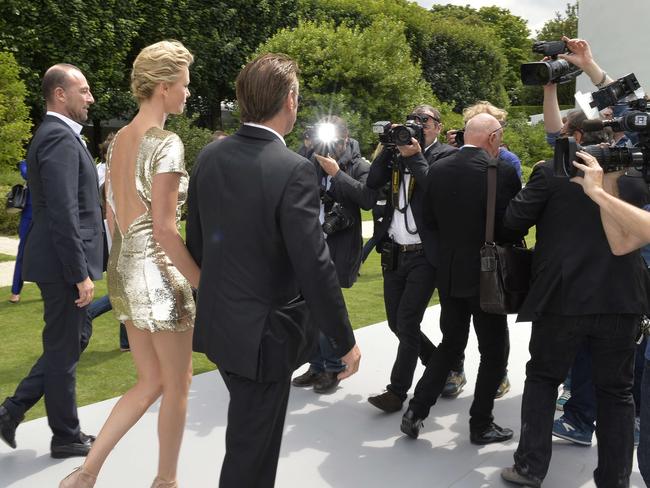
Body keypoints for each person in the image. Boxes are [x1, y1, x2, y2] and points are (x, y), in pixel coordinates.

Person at [185, 53, 361, 488]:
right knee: (251, 453)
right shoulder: (293, 169)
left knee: (247, 439)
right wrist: (344, 341)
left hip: (221, 328)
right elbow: (315, 265)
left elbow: (197, 244)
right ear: (291, 99)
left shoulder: (210, 155)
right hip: (262, 339)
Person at [499, 36, 650, 488]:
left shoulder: (553, 171)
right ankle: (615, 479)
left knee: (543, 380)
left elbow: (511, 223)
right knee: (618, 394)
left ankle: (529, 468)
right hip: (622, 303)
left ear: (578, 136)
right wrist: (584, 68)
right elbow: (632, 106)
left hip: (562, 300)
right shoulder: (639, 177)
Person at [59, 40, 200, 488]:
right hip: (158, 274)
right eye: (184, 84)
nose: (188, 93)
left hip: (123, 268)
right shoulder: (165, 142)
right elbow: (163, 229)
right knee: (177, 385)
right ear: (163, 86)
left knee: (149, 380)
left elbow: (112, 215)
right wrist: (204, 280)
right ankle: (167, 481)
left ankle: (84, 473)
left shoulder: (118, 140)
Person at [0, 64, 104, 458]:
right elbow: (63, 212)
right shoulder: (58, 138)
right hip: (63, 266)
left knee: (73, 339)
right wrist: (79, 274)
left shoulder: (60, 136)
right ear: (60, 95)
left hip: (59, 261)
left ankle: (14, 411)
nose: (90, 98)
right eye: (84, 90)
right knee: (64, 347)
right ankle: (64, 435)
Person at [399, 114, 521, 443]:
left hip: (449, 272)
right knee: (494, 351)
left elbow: (429, 220)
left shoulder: (437, 169)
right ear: (494, 138)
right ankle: (480, 423)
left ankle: (417, 409)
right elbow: (512, 224)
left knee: (451, 344)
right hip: (487, 275)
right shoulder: (503, 171)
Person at [365, 105, 457, 413]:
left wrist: (414, 155)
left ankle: (396, 392)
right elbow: (372, 182)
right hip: (394, 251)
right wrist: (388, 146)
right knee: (396, 323)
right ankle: (440, 365)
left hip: (423, 254)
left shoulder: (444, 155)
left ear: (438, 127)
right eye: (413, 119)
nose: (417, 124)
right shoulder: (395, 151)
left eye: (425, 120)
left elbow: (436, 190)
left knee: (407, 321)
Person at [291, 115, 375, 393]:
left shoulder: (359, 164)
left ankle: (334, 366)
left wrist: (338, 174)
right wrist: (307, 147)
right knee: (308, 307)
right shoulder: (309, 160)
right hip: (311, 243)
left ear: (346, 138)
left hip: (338, 245)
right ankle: (316, 365)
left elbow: (367, 199)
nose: (330, 146)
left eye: (335, 140)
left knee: (327, 306)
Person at [442, 100, 519, 399]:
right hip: (462, 255)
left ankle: (499, 374)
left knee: (492, 322)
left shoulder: (507, 162)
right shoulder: (451, 161)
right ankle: (456, 369)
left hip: (490, 255)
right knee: (454, 322)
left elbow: (512, 211)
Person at [8, 159, 32, 303]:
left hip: (48, 212)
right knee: (23, 251)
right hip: (29, 213)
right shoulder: (27, 163)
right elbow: (26, 173)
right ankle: (15, 290)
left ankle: (48, 289)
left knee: (51, 252)